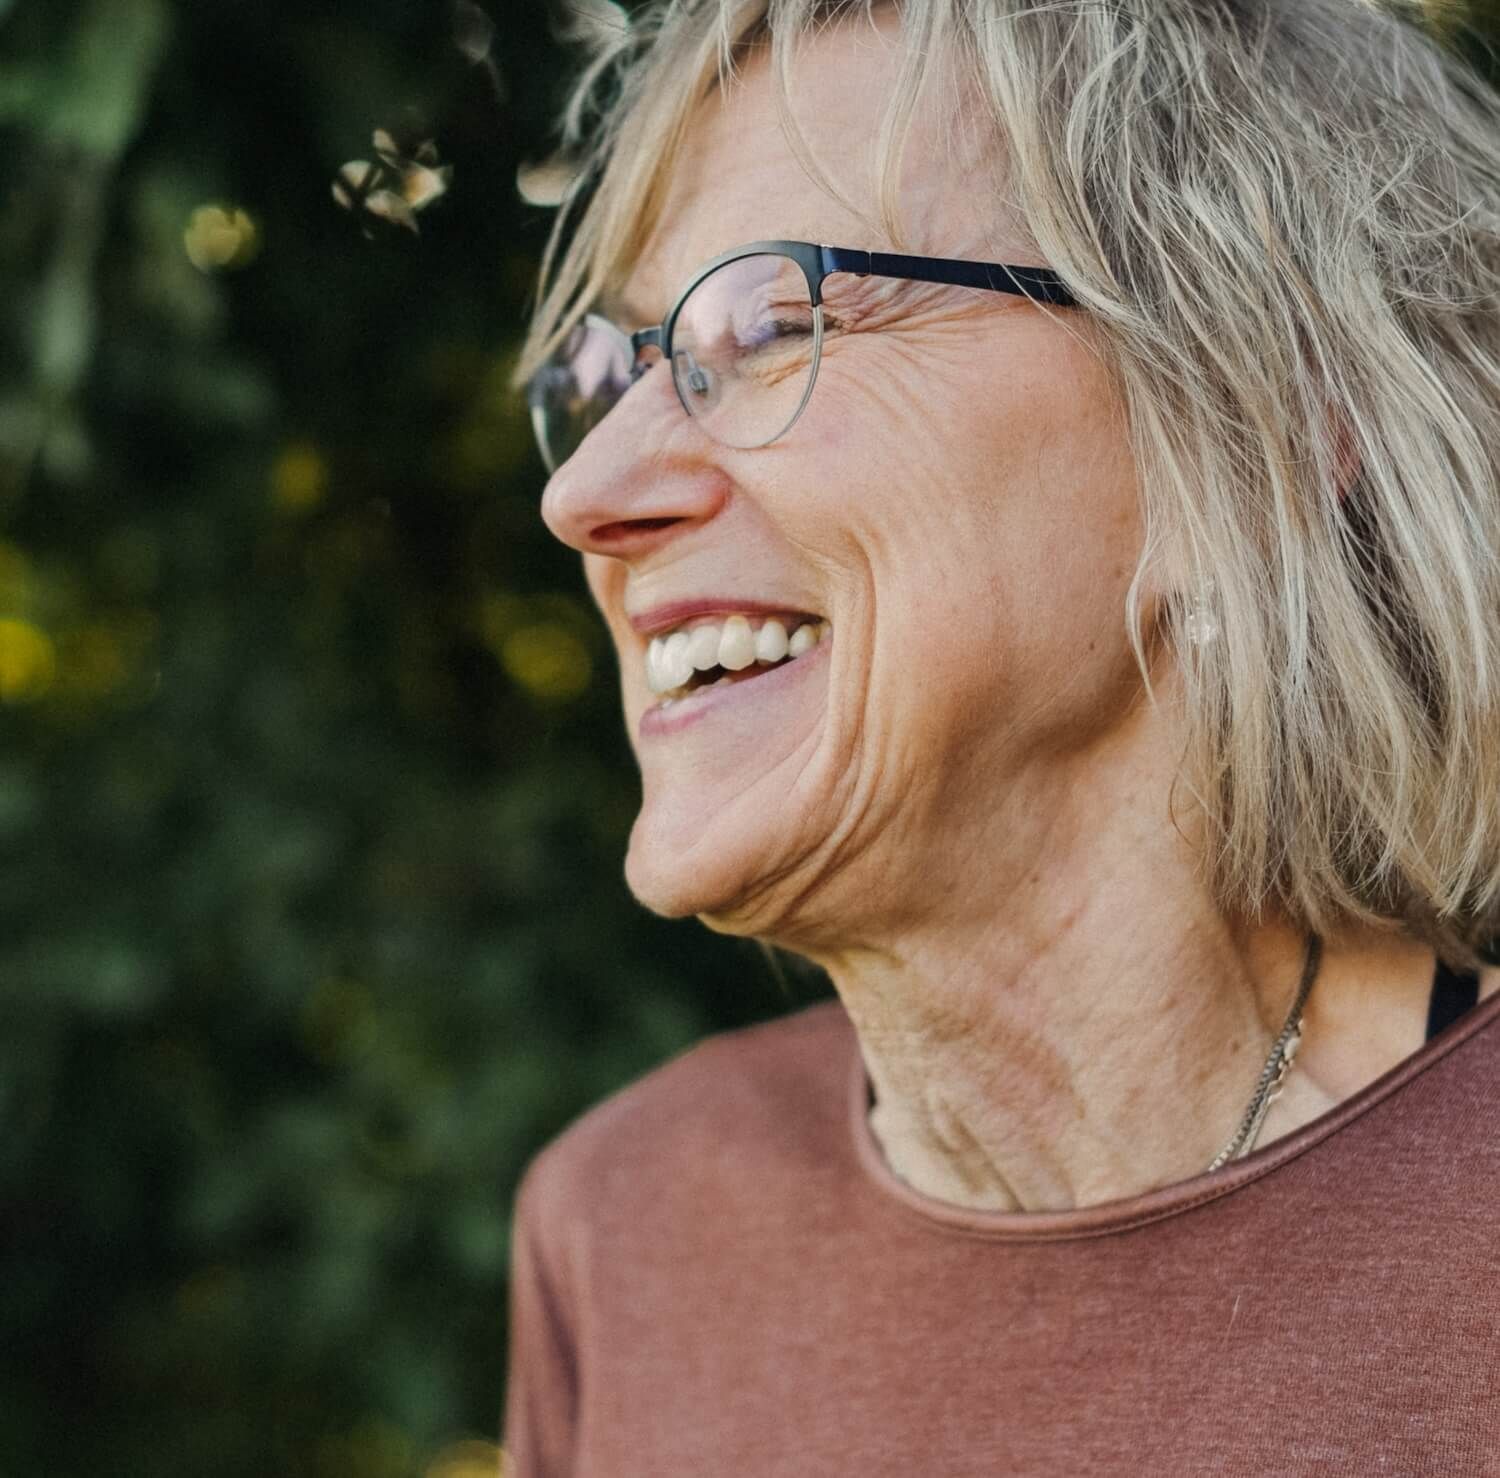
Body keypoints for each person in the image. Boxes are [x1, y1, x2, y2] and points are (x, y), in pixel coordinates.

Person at [503, 1, 1500, 1471]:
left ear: (1260, 423)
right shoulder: (630, 1231)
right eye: (617, 371)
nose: (586, 491)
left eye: (771, 322)